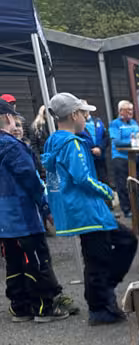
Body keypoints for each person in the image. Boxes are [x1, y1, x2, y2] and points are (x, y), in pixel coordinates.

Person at [41, 92, 137, 325]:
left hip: (79, 210)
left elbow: (56, 180)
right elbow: (82, 178)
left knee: (113, 247)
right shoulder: (72, 143)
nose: (87, 118)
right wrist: (107, 191)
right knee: (100, 258)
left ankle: (103, 297)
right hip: (87, 210)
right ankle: (101, 306)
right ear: (74, 115)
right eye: (84, 113)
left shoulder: (53, 142)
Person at [0, 98, 74, 322]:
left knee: (14, 263)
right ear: (9, 118)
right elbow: (30, 180)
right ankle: (43, 307)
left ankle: (20, 307)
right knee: (36, 261)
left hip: (5, 222)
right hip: (23, 216)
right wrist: (45, 206)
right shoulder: (12, 146)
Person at [109, 101, 139, 217]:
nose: (131, 112)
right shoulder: (115, 124)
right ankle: (126, 209)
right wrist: (133, 142)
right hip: (120, 157)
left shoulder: (134, 123)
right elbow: (117, 141)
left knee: (136, 183)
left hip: (134, 157)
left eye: (131, 110)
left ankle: (138, 207)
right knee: (122, 184)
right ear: (121, 111)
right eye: (128, 110)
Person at [80, 103, 109, 184]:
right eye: (81, 110)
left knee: (104, 180)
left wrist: (100, 148)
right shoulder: (78, 125)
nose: (84, 111)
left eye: (85, 109)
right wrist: (91, 150)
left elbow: (106, 137)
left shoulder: (98, 121)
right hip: (87, 157)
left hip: (100, 156)